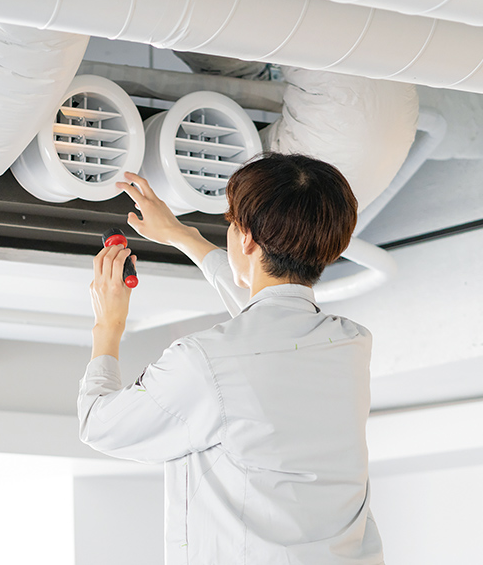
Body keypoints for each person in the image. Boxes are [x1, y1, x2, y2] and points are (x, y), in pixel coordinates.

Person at [78, 153, 384, 564]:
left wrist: (108, 323)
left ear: (247, 239)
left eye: (231, 224)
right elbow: (267, 324)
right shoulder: (348, 345)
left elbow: (99, 423)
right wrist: (182, 236)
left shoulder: (204, 363)